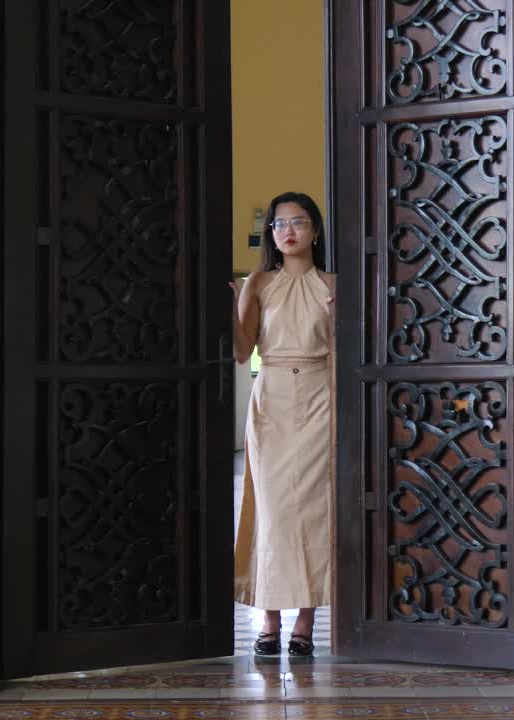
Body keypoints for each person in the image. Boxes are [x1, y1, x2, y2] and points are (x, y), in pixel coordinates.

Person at [230, 191, 335, 656]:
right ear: (271, 233)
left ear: (315, 230)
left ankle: (306, 623)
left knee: (314, 511)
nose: (287, 231)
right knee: (271, 511)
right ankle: (268, 618)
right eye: (278, 224)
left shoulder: (334, 282)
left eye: (298, 222)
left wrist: (339, 318)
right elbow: (240, 350)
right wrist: (228, 307)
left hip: (319, 396)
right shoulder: (258, 282)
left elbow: (347, 352)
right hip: (270, 397)